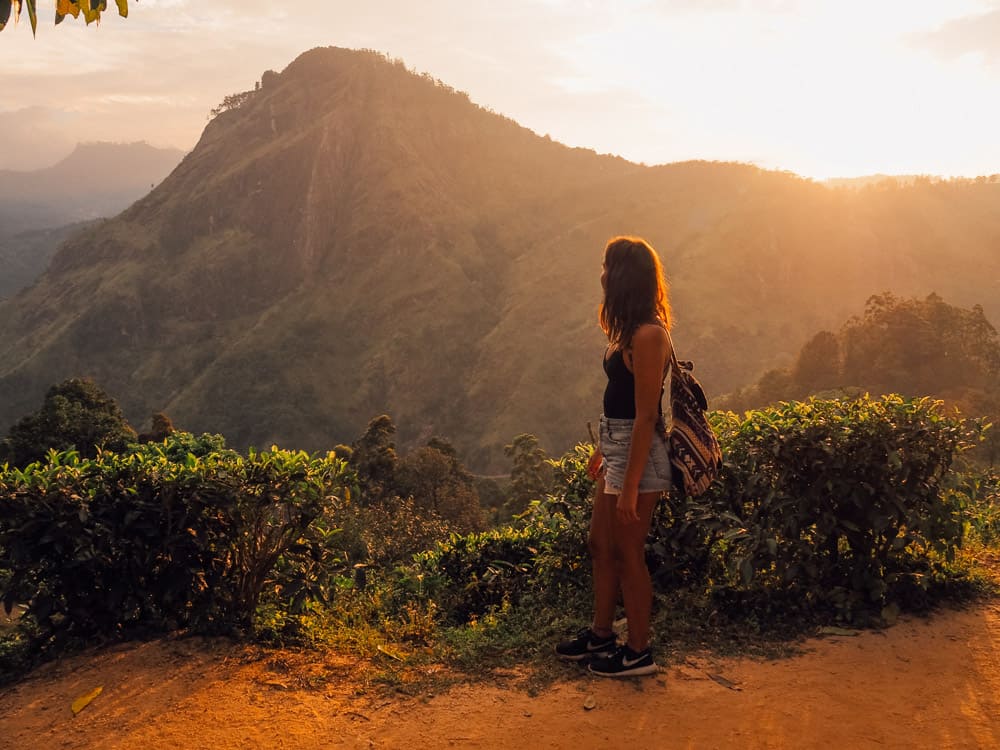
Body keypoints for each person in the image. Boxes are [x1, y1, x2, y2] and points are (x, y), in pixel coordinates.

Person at [555, 235, 673, 677]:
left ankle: (639, 651)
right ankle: (601, 634)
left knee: (628, 553)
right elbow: (618, 402)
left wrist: (628, 486)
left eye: (606, 267)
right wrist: (603, 449)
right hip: (618, 448)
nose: (601, 275)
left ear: (624, 276)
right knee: (600, 544)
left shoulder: (648, 335)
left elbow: (645, 417)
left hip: (640, 458)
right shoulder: (629, 329)